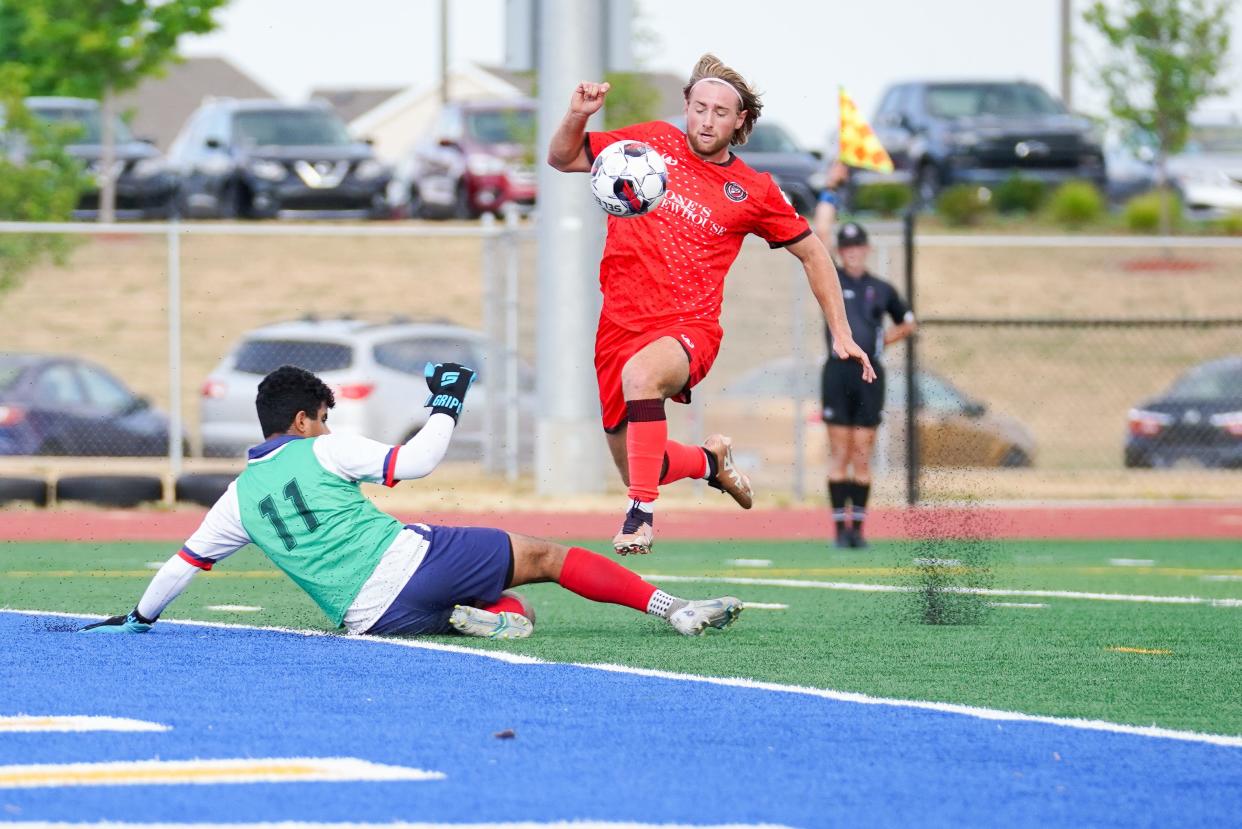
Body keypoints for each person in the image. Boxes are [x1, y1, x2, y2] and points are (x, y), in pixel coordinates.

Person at [81, 364, 742, 639]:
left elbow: (180, 566)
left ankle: (502, 623)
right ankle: (674, 609)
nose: (329, 426)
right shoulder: (324, 450)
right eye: (325, 416)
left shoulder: (237, 499)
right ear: (307, 419)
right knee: (546, 554)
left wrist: (138, 618)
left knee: (515, 605)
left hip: (370, 619)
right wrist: (447, 397)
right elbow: (418, 461)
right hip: (410, 561)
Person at [547, 53, 875, 556]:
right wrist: (578, 114)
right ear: (686, 105)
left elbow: (814, 254)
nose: (707, 119)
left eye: (721, 112)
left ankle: (641, 517)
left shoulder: (755, 190)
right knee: (642, 464)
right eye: (699, 107)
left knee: (641, 381)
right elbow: (563, 158)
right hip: (617, 327)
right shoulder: (649, 144)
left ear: (740, 120)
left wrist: (843, 332)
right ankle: (709, 463)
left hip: (688, 329)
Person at [812, 164, 915, 548]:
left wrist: (877, 345)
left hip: (869, 376)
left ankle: (859, 528)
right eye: (846, 247)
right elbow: (819, 234)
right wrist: (830, 188)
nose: (852, 253)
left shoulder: (881, 288)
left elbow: (908, 322)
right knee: (839, 451)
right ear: (841, 252)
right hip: (837, 372)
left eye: (858, 247)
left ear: (866, 249)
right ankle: (840, 529)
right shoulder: (833, 278)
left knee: (863, 453)